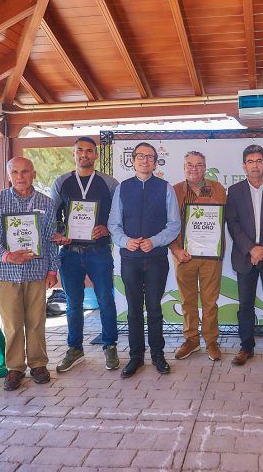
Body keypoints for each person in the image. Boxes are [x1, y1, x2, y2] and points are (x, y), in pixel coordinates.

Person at [0, 157, 60, 391]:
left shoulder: (46, 203)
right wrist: (6, 255)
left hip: (36, 271)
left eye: (25, 171)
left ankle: (38, 364)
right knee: (12, 324)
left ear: (33, 174)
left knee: (36, 321)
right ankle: (14, 368)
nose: (20, 176)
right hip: (5, 272)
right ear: (8, 176)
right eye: (14, 172)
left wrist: (53, 269)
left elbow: (50, 238)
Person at [108, 142, 181, 378]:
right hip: (130, 258)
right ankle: (136, 357)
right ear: (132, 160)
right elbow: (113, 224)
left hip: (156, 259)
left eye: (150, 157)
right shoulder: (123, 189)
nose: (145, 160)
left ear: (156, 162)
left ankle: (158, 356)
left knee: (155, 309)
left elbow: (174, 224)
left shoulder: (165, 188)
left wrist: (156, 240)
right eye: (140, 156)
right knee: (133, 310)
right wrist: (124, 240)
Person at [50, 137, 120, 373]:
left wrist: (108, 228)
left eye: (89, 151)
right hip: (69, 253)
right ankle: (75, 348)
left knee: (106, 301)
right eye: (80, 150)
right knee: (73, 304)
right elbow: (53, 217)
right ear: (74, 154)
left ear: (96, 155)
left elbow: (119, 215)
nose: (84, 155)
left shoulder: (109, 183)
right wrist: (60, 233)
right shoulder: (62, 182)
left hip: (99, 251)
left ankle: (110, 345)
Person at [225, 145, 263, 369]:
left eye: (259, 161)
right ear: (244, 165)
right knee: (245, 305)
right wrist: (251, 249)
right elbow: (232, 224)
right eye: (250, 161)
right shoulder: (234, 191)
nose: (255, 165)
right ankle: (246, 347)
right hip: (245, 257)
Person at [169, 151, 227, 361]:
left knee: (210, 302)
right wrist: (175, 249)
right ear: (184, 167)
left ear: (205, 167)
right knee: (187, 301)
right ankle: (191, 340)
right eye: (190, 165)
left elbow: (223, 218)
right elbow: (168, 223)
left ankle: (211, 341)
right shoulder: (174, 190)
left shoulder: (218, 188)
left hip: (211, 255)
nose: (194, 168)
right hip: (184, 255)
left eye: (199, 164)